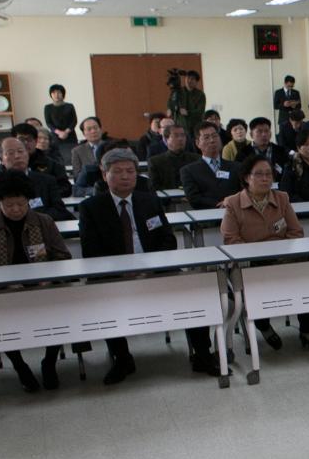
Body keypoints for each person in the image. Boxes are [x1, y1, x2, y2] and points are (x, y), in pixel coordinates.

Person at [79, 148, 217, 383]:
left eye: (130, 171)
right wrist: (124, 269)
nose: (125, 176)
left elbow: (168, 239)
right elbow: (91, 250)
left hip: (155, 269)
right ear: (104, 175)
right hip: (115, 275)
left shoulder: (149, 200)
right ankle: (122, 359)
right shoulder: (92, 207)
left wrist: (151, 265)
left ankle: (202, 355)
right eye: (118, 172)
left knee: (195, 292)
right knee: (104, 298)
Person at [0, 174, 72, 392]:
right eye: (9, 205)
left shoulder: (43, 221)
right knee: (1, 325)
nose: (16, 209)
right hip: (1, 293)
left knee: (61, 313)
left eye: (21, 204)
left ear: (29, 201)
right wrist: (6, 284)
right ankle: (20, 366)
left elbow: (63, 257)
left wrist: (46, 278)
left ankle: (49, 362)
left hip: (42, 288)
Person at [221, 155, 309, 350]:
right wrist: (259, 254)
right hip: (251, 264)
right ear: (246, 178)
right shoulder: (233, 203)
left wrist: (282, 254)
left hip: (284, 260)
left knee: (304, 276)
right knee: (258, 282)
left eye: (269, 174)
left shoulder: (281, 198)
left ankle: (308, 330)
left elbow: (295, 232)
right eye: (259, 174)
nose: (265, 178)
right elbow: (231, 240)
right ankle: (264, 326)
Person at [0, 137, 72, 220]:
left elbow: (60, 210)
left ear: (28, 155)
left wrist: (31, 219)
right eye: (10, 153)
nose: (17, 156)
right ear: (1, 159)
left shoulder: (47, 181)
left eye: (20, 151)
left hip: (42, 228)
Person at [179, 121, 241, 209]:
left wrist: (230, 202)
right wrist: (220, 205)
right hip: (207, 218)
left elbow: (244, 192)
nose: (212, 140)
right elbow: (194, 198)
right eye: (206, 137)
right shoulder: (188, 171)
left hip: (234, 214)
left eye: (215, 136)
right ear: (197, 143)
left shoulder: (236, 167)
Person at [12, 122, 71, 196]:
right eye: (21, 139)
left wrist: (43, 195)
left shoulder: (52, 164)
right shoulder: (7, 165)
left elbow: (66, 188)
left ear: (35, 141)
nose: (25, 143)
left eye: (29, 139)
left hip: (44, 205)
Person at [147, 123, 198, 190]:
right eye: (176, 136)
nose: (180, 139)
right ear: (166, 140)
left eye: (183, 135)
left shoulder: (196, 159)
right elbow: (154, 187)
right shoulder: (155, 162)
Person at [43, 83, 78, 162]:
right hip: (55, 136)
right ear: (51, 95)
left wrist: (66, 132)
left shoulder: (70, 106)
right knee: (58, 157)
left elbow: (74, 121)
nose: (56, 95)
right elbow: (48, 123)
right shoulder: (48, 107)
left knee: (73, 156)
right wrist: (59, 133)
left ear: (63, 94)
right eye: (53, 93)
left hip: (70, 135)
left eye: (59, 92)